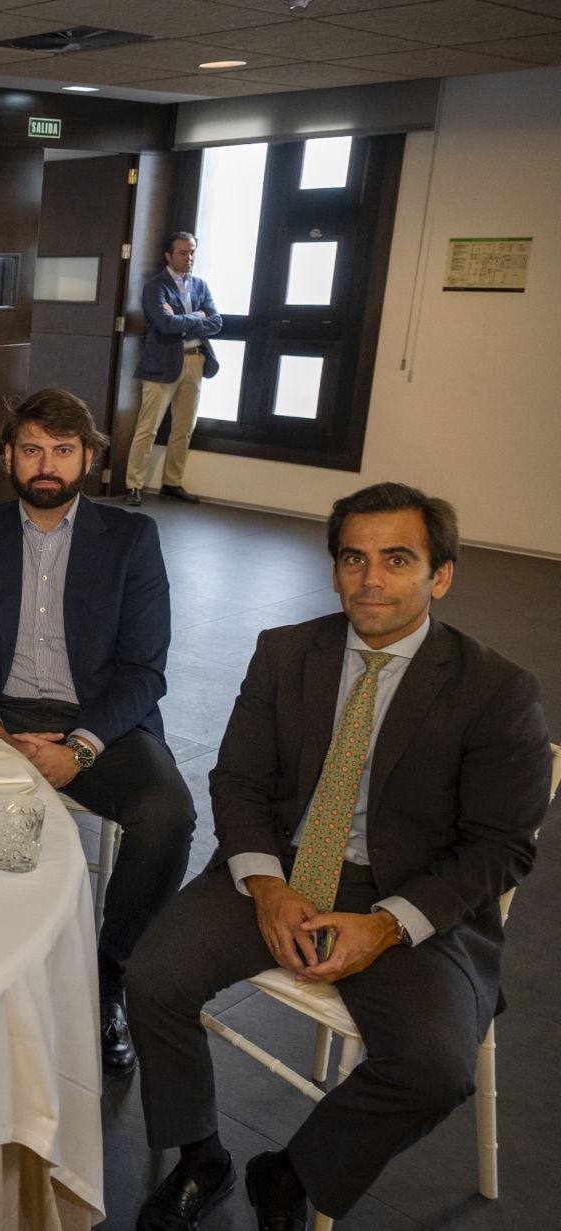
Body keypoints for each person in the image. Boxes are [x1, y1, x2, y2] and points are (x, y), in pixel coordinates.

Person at [125, 483, 548, 1231]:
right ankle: (201, 1156)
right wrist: (267, 887)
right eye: (354, 557)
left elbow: (497, 847)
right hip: (281, 865)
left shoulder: (497, 690)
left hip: (411, 892)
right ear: (334, 568)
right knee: (153, 975)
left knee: (433, 1066)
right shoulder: (286, 652)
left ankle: (294, 1171)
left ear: (439, 575)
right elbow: (240, 781)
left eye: (396, 559)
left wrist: (386, 923)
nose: (370, 579)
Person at [0, 387, 193, 1076]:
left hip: (101, 720)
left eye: (63, 450)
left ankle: (107, 980)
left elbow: (144, 668)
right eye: (32, 448)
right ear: (8, 456)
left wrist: (79, 747)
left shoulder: (132, 539)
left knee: (168, 813)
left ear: (90, 457)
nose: (46, 464)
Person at [126, 232, 222, 506]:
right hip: (161, 364)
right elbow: (165, 325)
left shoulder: (201, 286)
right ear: (168, 256)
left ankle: (172, 482)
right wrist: (196, 317)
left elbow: (217, 322)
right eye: (182, 252)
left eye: (192, 252)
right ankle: (134, 484)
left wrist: (185, 319)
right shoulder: (155, 287)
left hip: (195, 360)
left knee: (183, 428)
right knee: (149, 428)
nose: (189, 257)